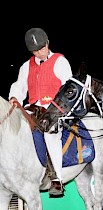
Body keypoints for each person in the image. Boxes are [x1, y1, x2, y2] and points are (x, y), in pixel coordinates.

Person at [8, 28, 72, 197]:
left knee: (50, 135)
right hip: (33, 108)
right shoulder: (26, 66)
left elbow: (68, 89)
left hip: (54, 109)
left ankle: (56, 178)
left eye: (42, 48)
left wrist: (58, 109)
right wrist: (15, 97)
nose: (40, 52)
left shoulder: (60, 62)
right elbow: (20, 86)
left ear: (47, 43)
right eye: (36, 50)